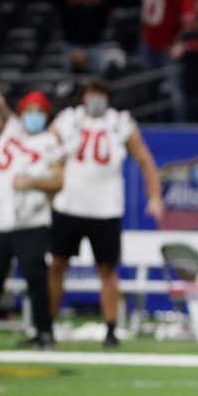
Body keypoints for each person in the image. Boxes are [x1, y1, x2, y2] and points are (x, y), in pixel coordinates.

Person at [0, 37, 64, 350]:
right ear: (22, 112)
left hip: (31, 222)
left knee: (36, 280)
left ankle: (44, 332)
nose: (34, 115)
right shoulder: (11, 129)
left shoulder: (50, 143)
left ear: (46, 115)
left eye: (39, 111)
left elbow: (59, 181)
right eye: (30, 110)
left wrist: (32, 183)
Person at [48, 78, 164, 348]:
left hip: (105, 207)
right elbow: (44, 145)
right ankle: (46, 325)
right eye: (91, 93)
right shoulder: (69, 119)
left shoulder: (119, 122)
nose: (95, 99)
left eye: (100, 93)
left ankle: (111, 328)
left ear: (108, 97)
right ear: (83, 96)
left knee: (107, 269)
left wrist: (154, 196)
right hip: (69, 204)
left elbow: (145, 160)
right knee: (56, 265)